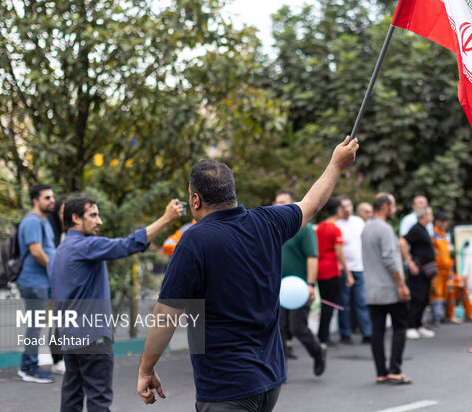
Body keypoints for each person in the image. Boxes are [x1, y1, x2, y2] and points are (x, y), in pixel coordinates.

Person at [136, 136, 358, 411]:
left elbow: (166, 313)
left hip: (226, 389)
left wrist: (146, 369)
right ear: (232, 193)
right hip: (269, 381)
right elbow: (312, 202)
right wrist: (336, 163)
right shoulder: (268, 222)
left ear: (195, 199)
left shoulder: (194, 240)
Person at [48, 197, 183, 411]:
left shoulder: (57, 254)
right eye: (93, 215)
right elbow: (129, 244)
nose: (99, 221)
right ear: (75, 218)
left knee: (71, 398)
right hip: (92, 338)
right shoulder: (85, 246)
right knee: (99, 399)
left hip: (69, 338)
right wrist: (166, 218)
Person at [274, 189, 326, 375]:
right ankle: (281, 370)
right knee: (278, 328)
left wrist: (310, 285)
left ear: (293, 205)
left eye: (283, 202)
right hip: (278, 288)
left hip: (299, 289)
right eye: (276, 201)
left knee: (297, 327)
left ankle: (318, 352)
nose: (278, 205)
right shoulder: (275, 228)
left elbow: (312, 257)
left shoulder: (304, 228)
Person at [362, 194, 412, 385]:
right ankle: (395, 371)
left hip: (372, 290)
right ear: (384, 206)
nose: (394, 210)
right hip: (390, 289)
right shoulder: (384, 229)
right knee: (400, 328)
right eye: (392, 206)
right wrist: (401, 284)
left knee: (378, 331)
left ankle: (381, 372)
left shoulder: (366, 228)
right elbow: (390, 260)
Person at [16, 183, 56, 384]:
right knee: (34, 325)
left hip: (41, 281)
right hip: (34, 282)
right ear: (35, 200)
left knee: (37, 324)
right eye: (47, 197)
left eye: (52, 197)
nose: (52, 201)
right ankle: (28, 367)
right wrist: (55, 270)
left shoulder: (44, 221)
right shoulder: (32, 221)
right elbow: (37, 251)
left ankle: (30, 364)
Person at [316, 198, 354, 346]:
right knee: (330, 305)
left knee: (324, 302)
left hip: (320, 269)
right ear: (338, 210)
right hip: (331, 270)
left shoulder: (320, 226)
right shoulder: (335, 229)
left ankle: (322, 335)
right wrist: (348, 273)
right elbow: (340, 253)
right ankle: (324, 337)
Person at [335, 195, 372, 344]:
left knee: (361, 301)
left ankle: (367, 332)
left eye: (349, 205)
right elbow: (339, 251)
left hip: (360, 267)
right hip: (344, 269)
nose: (347, 209)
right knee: (343, 303)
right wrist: (347, 271)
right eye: (344, 206)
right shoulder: (337, 224)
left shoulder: (358, 222)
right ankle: (345, 333)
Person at [402, 206, 436, 340]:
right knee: (417, 298)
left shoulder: (424, 229)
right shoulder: (415, 229)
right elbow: (402, 242)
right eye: (429, 214)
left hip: (426, 271)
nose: (431, 216)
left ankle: (418, 324)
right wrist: (409, 262)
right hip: (418, 270)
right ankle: (410, 326)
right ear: (423, 216)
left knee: (425, 298)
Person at [46, 197, 67, 375]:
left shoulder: (72, 232)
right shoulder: (52, 231)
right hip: (56, 284)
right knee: (58, 323)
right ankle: (57, 359)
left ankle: (64, 358)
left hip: (69, 284)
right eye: (62, 211)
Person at [429, 212, 451, 324]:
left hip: (446, 269)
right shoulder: (432, 234)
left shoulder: (445, 235)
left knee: (443, 292)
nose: (444, 224)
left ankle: (441, 315)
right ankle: (436, 316)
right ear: (437, 222)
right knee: (436, 293)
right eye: (443, 222)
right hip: (437, 268)